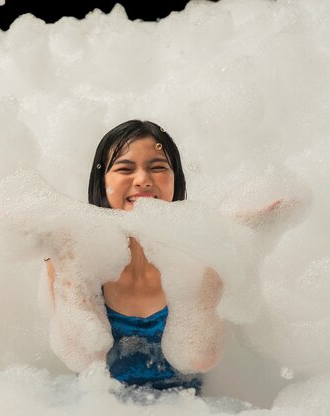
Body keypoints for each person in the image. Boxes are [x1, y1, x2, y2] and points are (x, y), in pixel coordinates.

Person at [45, 120, 226, 394]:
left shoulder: (203, 259)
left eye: (158, 167)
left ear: (176, 178)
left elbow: (202, 358)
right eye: (125, 169)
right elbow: (82, 358)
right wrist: (69, 261)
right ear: (102, 181)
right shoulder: (73, 260)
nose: (143, 180)